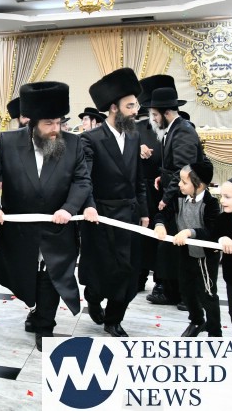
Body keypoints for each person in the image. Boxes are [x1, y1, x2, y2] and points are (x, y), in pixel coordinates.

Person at [0, 81, 92, 352]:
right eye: (49, 123)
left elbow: (82, 181)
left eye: (59, 122)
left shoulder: (73, 143)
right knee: (25, 277)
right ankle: (35, 309)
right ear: (32, 122)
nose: (56, 129)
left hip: (58, 229)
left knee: (52, 276)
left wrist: (69, 208)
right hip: (20, 232)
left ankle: (44, 325)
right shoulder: (8, 142)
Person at [79, 68, 148, 337]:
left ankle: (114, 319)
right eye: (130, 106)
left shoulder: (134, 136)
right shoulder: (90, 139)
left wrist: (144, 211)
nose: (135, 111)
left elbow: (139, 178)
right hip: (101, 215)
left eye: (136, 105)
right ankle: (93, 296)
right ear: (113, 108)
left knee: (128, 270)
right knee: (102, 270)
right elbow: (84, 179)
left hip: (129, 215)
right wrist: (89, 207)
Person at [142, 86, 205, 309]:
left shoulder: (183, 131)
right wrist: (163, 175)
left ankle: (190, 297)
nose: (154, 119)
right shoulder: (174, 129)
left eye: (155, 115)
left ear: (166, 113)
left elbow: (184, 170)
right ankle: (173, 292)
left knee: (185, 248)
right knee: (170, 248)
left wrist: (166, 198)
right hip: (176, 193)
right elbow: (173, 166)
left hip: (182, 198)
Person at [154, 163, 221, 337]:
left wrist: (190, 232)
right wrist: (160, 224)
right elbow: (163, 213)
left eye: (184, 182)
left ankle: (215, 331)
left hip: (205, 257)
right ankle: (197, 321)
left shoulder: (211, 204)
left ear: (199, 185)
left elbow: (212, 231)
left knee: (207, 294)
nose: (179, 185)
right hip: (186, 254)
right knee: (186, 290)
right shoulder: (178, 197)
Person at [136, 75, 171, 301]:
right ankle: (139, 276)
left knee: (164, 237)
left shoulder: (178, 129)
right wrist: (137, 148)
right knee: (142, 235)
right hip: (144, 189)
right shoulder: (137, 128)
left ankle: (161, 282)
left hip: (167, 190)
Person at [216, 176, 232, 337]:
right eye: (221, 196)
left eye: (227, 197)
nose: (222, 201)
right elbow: (212, 234)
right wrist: (222, 238)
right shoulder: (222, 219)